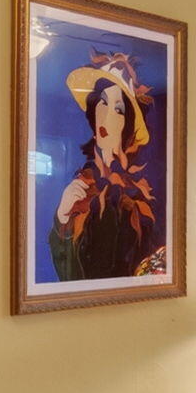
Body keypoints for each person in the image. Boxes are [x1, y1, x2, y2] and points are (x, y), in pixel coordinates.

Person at [50, 51, 161, 280]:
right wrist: (62, 219)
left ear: (127, 127)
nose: (106, 115)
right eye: (102, 102)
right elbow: (67, 276)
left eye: (118, 109)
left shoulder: (138, 197)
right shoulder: (82, 186)